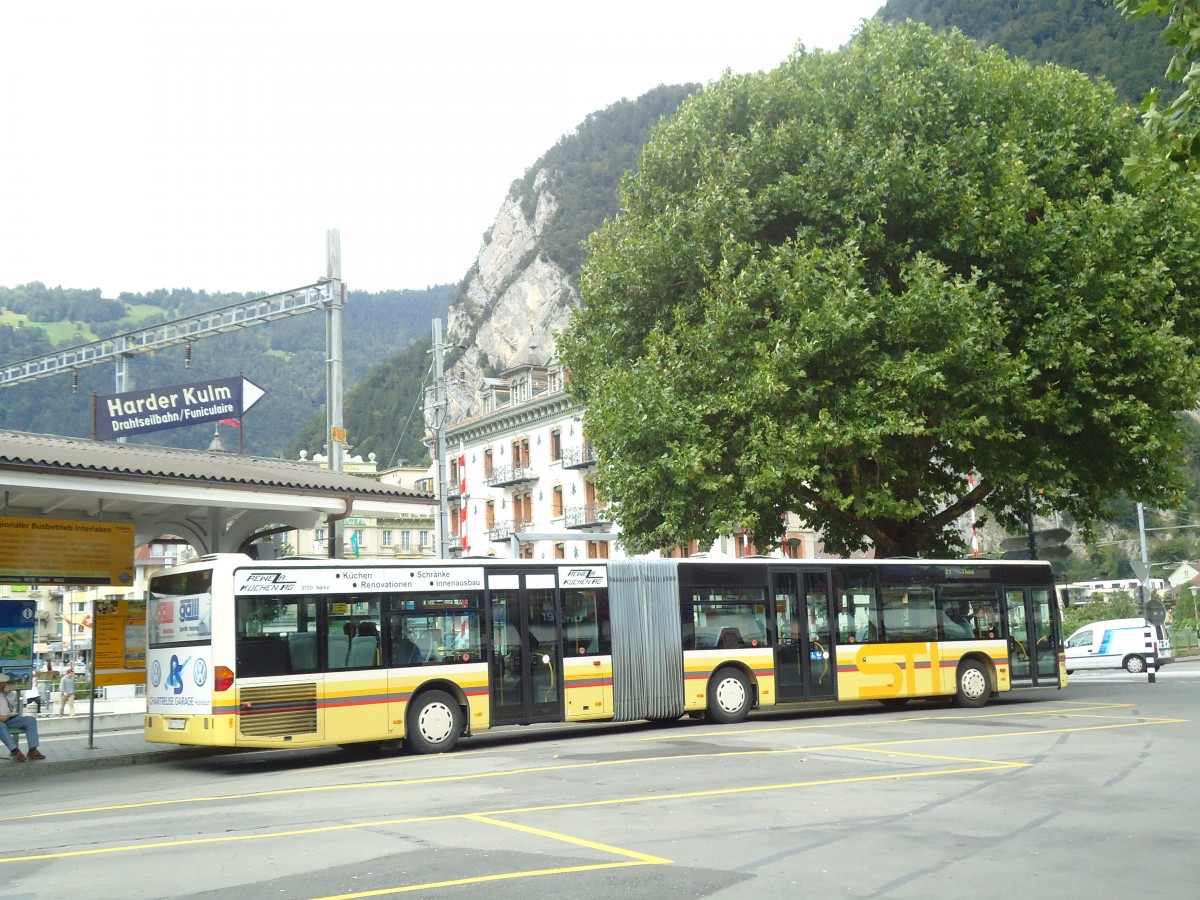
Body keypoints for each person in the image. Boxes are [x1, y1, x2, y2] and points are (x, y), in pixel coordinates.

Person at [0, 673, 46, 761]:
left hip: (8, 718)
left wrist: (8, 693)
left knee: (30, 720)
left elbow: (14, 704)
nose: (5, 685)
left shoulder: (4, 693)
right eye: (3, 683)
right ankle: (15, 751)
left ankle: (33, 750)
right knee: (1, 726)